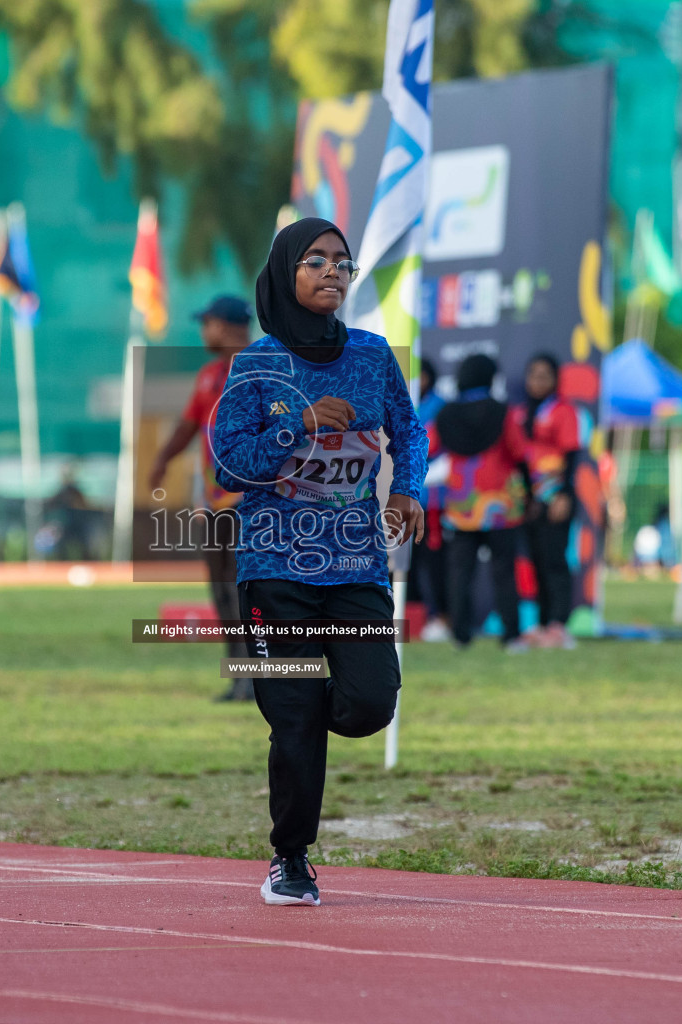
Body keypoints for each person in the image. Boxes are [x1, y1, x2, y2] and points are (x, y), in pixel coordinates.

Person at [212, 218, 425, 907]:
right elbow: (232, 464)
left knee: (369, 703)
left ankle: (300, 715)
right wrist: (296, 426)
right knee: (294, 715)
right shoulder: (255, 366)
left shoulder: (371, 354)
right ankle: (289, 858)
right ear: (284, 273)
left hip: (358, 563)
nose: (333, 271)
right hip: (273, 565)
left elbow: (409, 428)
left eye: (342, 262)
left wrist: (409, 488)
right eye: (315, 261)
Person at [146, 294, 255, 701]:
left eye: (206, 323)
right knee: (222, 588)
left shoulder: (263, 368)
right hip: (215, 500)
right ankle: (239, 677)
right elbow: (188, 425)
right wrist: (161, 460)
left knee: (249, 589)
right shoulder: (209, 375)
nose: (203, 331)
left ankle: (261, 676)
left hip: (255, 500)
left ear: (226, 326)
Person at [430, 354, 530, 650]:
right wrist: (530, 491)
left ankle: (461, 636)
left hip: (461, 506)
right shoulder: (503, 412)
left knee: (460, 572)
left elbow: (429, 447)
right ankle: (511, 636)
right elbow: (518, 451)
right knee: (503, 571)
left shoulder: (446, 414)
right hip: (500, 506)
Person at [514, 354, 581, 649]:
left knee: (555, 560)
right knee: (537, 561)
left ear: (555, 380)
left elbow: (572, 456)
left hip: (556, 496)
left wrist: (564, 495)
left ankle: (559, 624)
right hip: (528, 499)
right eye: (533, 375)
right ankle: (541, 623)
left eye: (544, 376)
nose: (537, 382)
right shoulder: (519, 414)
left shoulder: (563, 411)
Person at [411, 358, 450, 642]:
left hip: (432, 502)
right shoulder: (397, 402)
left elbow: (438, 450)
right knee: (404, 565)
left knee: (435, 563)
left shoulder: (441, 408)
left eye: (420, 375)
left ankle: (441, 618)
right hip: (399, 500)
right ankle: (412, 620)